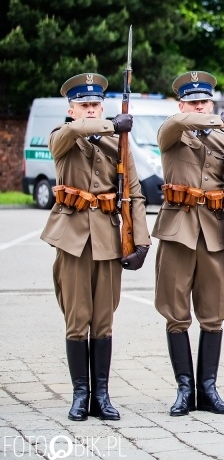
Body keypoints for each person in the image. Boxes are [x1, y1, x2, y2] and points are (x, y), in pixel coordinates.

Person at [41, 73, 151, 421]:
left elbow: (133, 192)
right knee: (77, 320)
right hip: (72, 238)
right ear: (71, 109)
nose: (91, 110)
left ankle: (101, 395)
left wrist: (141, 241)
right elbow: (72, 133)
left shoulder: (118, 144)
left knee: (103, 320)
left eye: (96, 104)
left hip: (107, 238)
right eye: (84, 105)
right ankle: (80, 395)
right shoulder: (62, 135)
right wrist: (106, 126)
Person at [152, 71, 224, 416]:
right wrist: (211, 118)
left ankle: (208, 388)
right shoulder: (172, 132)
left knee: (213, 315)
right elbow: (174, 126)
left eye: (205, 100)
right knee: (176, 315)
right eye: (193, 101)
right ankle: (185, 388)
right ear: (181, 104)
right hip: (178, 231)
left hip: (214, 234)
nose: (200, 106)